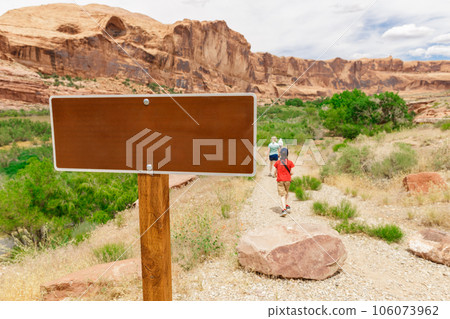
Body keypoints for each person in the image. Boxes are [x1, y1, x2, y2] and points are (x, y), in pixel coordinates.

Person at [274, 147, 294, 217]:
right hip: (288, 180)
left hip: (280, 180)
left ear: (280, 154)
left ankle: (284, 209)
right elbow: (291, 172)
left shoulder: (277, 162)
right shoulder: (290, 162)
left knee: (282, 195)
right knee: (286, 192)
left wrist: (275, 174)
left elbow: (275, 173)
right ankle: (287, 204)